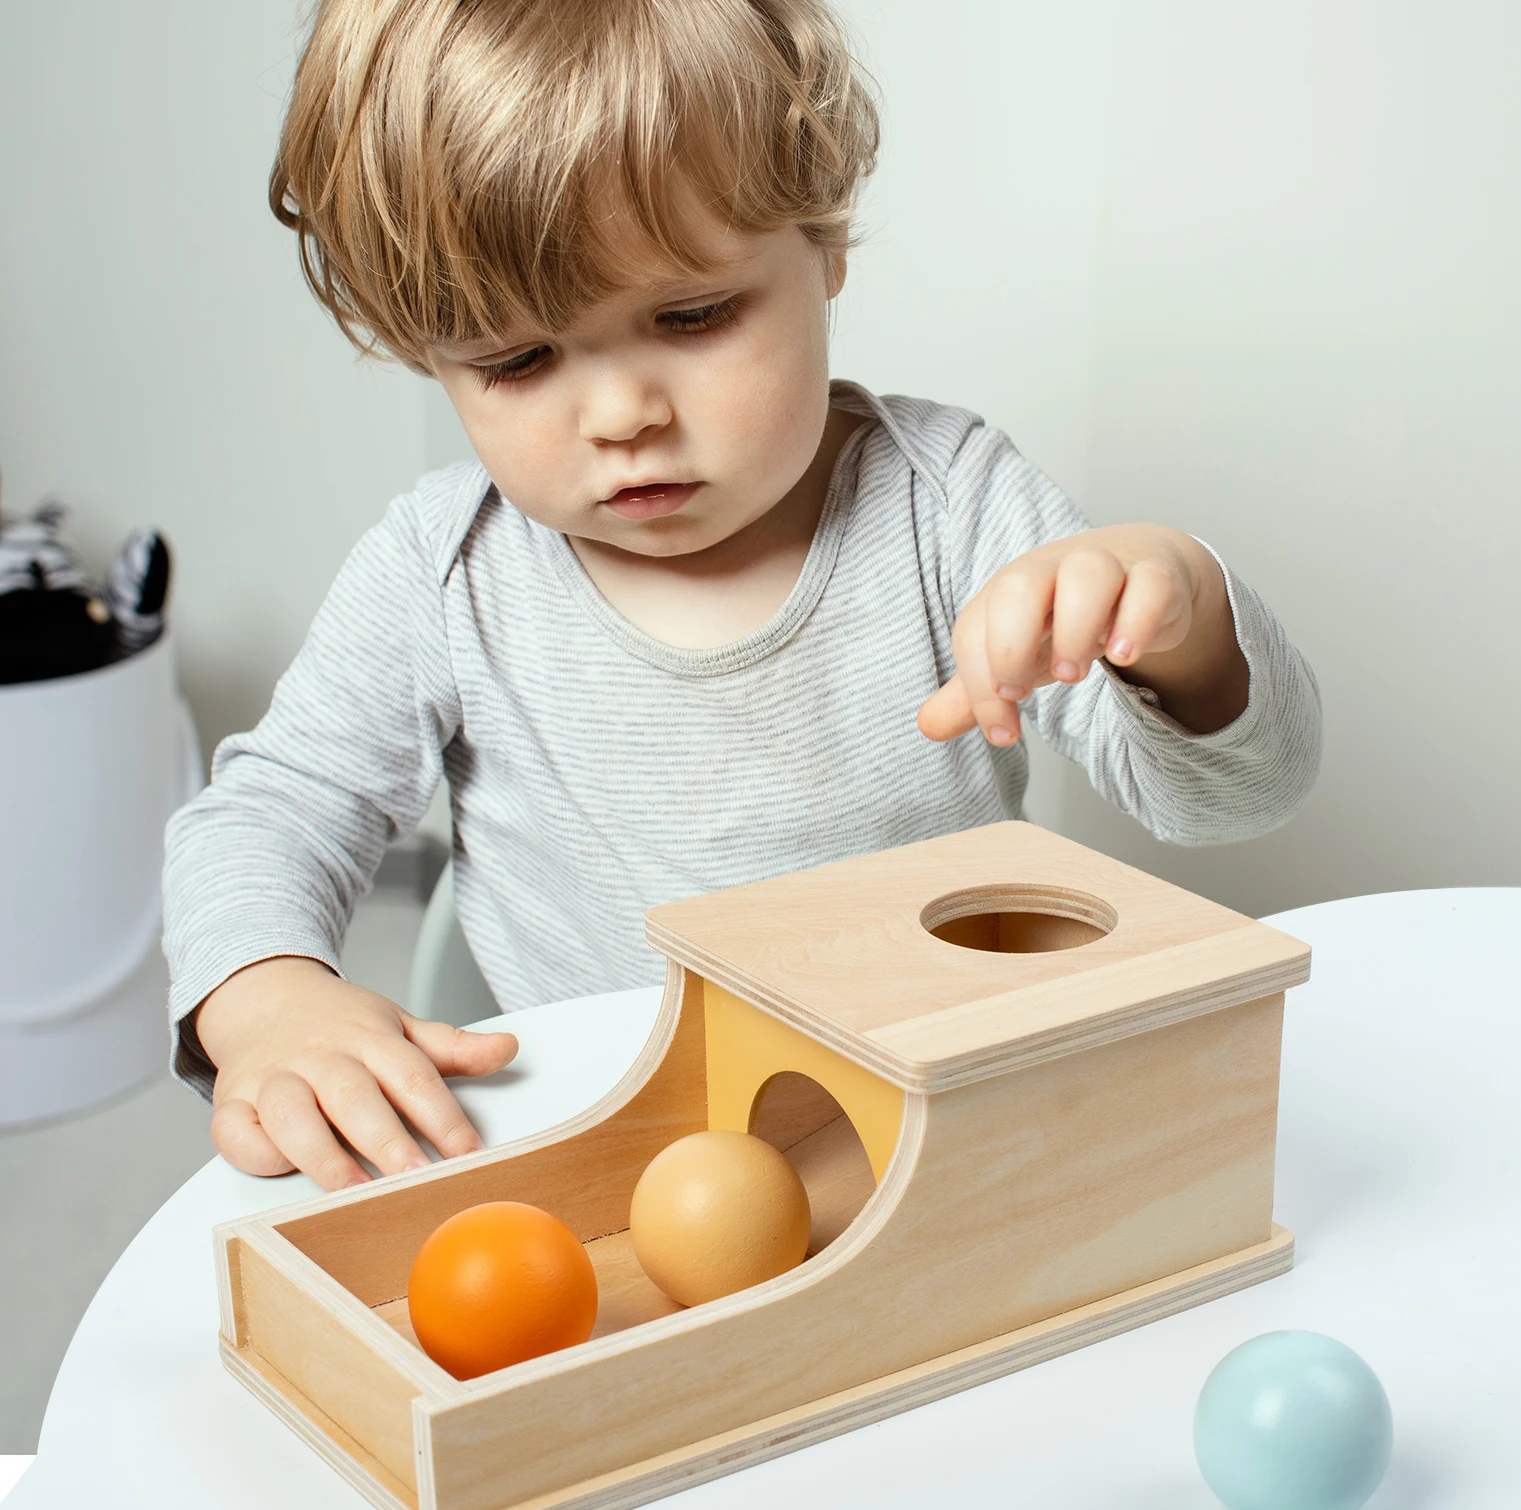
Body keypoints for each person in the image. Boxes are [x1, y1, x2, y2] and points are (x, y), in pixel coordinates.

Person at [163, 0, 1321, 1192]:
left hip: (938, 1131)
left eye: (691, 315)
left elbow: (1230, 802)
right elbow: (271, 810)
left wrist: (1174, 622)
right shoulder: (444, 569)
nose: (621, 416)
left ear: (822, 242)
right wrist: (262, 997)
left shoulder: (954, 508)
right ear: (425, 352)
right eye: (515, 360)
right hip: (613, 1153)